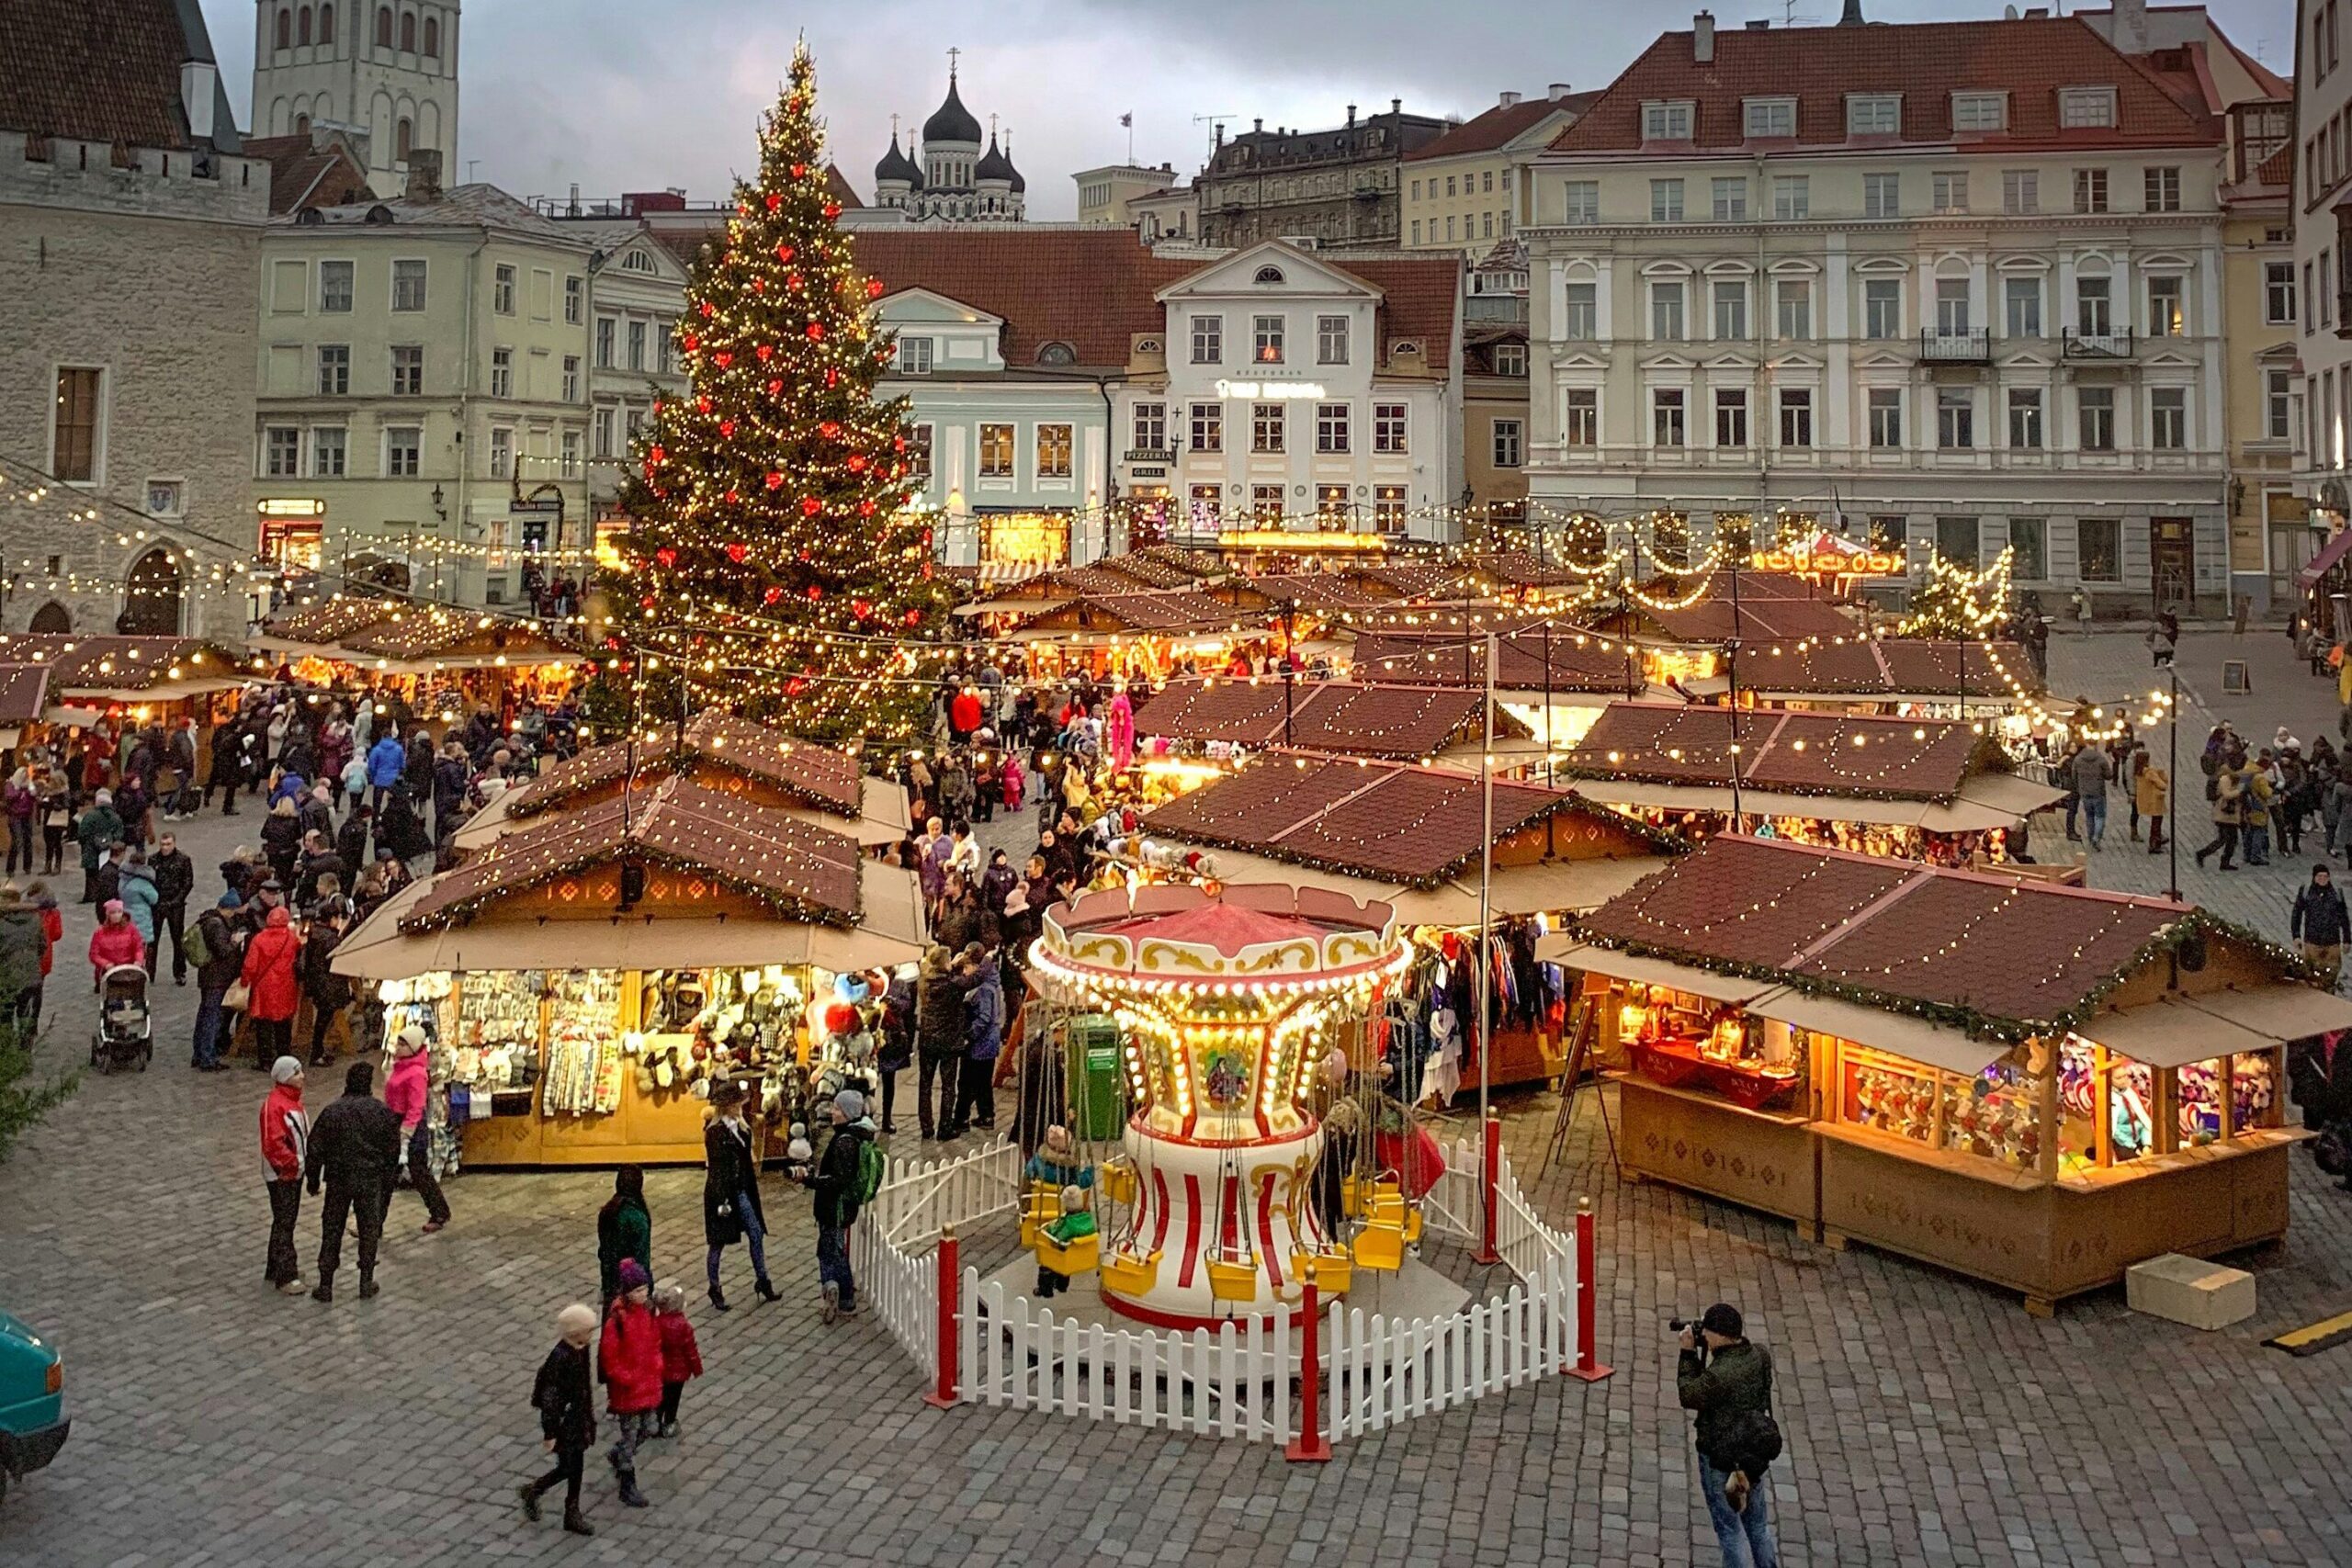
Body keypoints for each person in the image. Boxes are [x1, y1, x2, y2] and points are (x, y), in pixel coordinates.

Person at [1678, 1303, 1782, 1568]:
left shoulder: (1720, 1375)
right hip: (1751, 1455)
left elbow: (1689, 1394)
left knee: (1729, 1531)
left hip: (1720, 1458)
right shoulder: (1759, 1355)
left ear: (1720, 1335)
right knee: (1758, 1526)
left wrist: (1688, 1355)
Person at [304, 1059, 402, 1303]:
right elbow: (392, 1152)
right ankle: (366, 1280)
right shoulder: (381, 1112)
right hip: (369, 1180)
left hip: (338, 1179)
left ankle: (326, 1283)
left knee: (332, 1228)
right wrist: (387, 1181)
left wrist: (313, 1180)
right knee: (368, 1228)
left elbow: (315, 1148)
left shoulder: (332, 1112)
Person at [520, 1303, 599, 1537]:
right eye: (588, 1330)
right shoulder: (560, 1358)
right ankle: (537, 1491)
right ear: (575, 1332)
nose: (592, 1335)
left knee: (575, 1467)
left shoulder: (581, 1349)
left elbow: (584, 1387)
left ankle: (570, 1509)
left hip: (578, 1418)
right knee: (568, 1467)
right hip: (566, 1423)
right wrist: (550, 1433)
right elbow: (551, 1400)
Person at [701, 1082, 776, 1311]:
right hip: (722, 1193)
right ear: (727, 1107)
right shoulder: (714, 1132)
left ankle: (762, 1279)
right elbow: (717, 1168)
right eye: (736, 1104)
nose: (740, 1107)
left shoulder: (742, 1128)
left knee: (756, 1233)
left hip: (743, 1190)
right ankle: (715, 1287)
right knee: (717, 1243)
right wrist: (722, 1200)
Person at [596, 1258, 661, 1509]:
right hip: (629, 1391)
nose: (643, 1294)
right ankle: (626, 1479)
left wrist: (657, 1364)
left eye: (645, 1289)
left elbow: (655, 1342)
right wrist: (628, 1378)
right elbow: (610, 1359)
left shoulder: (648, 1312)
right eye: (637, 1291)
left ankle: (619, 1453)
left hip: (649, 1383)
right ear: (627, 1292)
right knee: (632, 1434)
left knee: (649, 1428)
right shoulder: (617, 1321)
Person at [805, 1088, 873, 1323]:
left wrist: (810, 1180)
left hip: (835, 1208)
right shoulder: (852, 1136)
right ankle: (840, 1294)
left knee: (830, 1253)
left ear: (846, 1113)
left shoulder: (845, 1142)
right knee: (834, 1250)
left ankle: (836, 1292)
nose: (832, 1111)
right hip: (841, 1208)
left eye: (836, 1108)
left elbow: (837, 1181)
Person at [382, 1025, 451, 1233]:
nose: (398, 1047)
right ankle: (372, 1223)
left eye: (403, 1044)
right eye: (398, 1042)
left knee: (417, 1170)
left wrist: (406, 1133)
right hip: (395, 1121)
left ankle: (439, 1212)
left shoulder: (416, 1073)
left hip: (409, 1126)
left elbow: (416, 1106)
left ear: (413, 1048)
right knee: (388, 1174)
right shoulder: (400, 1066)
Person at [258, 1056, 311, 1295]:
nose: (302, 1076)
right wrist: (291, 1165)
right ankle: (286, 1274)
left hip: (292, 1171)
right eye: (297, 1072)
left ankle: (274, 1266)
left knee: (284, 1220)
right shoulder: (276, 1104)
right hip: (283, 1174)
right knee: (285, 1222)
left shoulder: (290, 1101)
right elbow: (273, 1144)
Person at [1023, 1126, 1095, 1298]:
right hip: (1062, 1209)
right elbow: (1083, 1181)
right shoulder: (1069, 1170)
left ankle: (1045, 1288)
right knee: (1063, 1252)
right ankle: (1062, 1285)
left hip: (1042, 1208)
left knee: (1047, 1252)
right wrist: (1090, 1171)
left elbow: (1028, 1174)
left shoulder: (1037, 1163)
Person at [240, 906, 304, 1068]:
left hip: (264, 987)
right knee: (283, 1023)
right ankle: (284, 1056)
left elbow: (251, 965)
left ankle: (265, 1060)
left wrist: (245, 981)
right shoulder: (290, 939)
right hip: (285, 985)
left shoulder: (259, 939)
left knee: (263, 1024)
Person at [954, 943, 1005, 1133]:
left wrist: (969, 1036)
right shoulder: (992, 984)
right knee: (983, 1082)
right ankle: (986, 1115)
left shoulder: (983, 989)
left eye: (966, 968)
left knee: (967, 1082)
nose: (965, 973)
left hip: (980, 1045)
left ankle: (961, 1118)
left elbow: (984, 1018)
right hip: (989, 1043)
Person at [915, 944, 964, 1140]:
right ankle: (945, 1127)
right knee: (948, 1086)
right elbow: (968, 982)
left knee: (925, 1084)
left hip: (927, 1039)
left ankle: (926, 1126)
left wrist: (950, 965)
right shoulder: (952, 986)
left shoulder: (924, 981)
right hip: (948, 1042)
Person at [191, 892, 244, 1069]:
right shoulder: (216, 925)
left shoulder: (209, 920)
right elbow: (222, 951)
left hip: (210, 977)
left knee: (205, 1014)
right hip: (216, 978)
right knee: (211, 1017)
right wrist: (235, 942)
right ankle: (207, 1057)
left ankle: (199, 1054)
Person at [596, 1165, 652, 1305]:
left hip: (610, 1284)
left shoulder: (608, 1211)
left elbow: (603, 1252)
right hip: (631, 1289)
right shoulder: (637, 1218)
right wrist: (647, 1289)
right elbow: (642, 1257)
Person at [651, 1282, 702, 1438]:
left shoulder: (656, 1323)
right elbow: (690, 1350)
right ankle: (670, 1423)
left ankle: (655, 1424)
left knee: (660, 1398)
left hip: (660, 1370)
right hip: (678, 1372)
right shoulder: (684, 1326)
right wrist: (697, 1368)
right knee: (673, 1400)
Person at [2293, 866, 2351, 989]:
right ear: (2314, 878)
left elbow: (2344, 917)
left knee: (2331, 974)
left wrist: (2347, 939)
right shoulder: (2306, 892)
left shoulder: (2336, 893)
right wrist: (2296, 936)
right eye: (2320, 876)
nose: (2323, 879)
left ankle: (2328, 993)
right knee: (2311, 975)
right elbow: (2297, 914)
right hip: (2312, 942)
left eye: (2325, 877)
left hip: (2332, 943)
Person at [0, 886, 44, 1036]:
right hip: (31, 976)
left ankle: (8, 1052)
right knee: (26, 1018)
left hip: (6, 978)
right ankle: (25, 1051)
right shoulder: (35, 920)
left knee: (5, 1019)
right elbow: (42, 946)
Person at [150, 831, 193, 985]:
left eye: (168, 844)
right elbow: (150, 881)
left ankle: (180, 972)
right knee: (153, 940)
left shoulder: (183, 860)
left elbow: (187, 883)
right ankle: (150, 972)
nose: (165, 848)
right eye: (162, 844)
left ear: (174, 843)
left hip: (176, 905)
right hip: (157, 903)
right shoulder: (153, 859)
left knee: (177, 939)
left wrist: (177, 901)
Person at [74, 790, 121, 904]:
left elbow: (82, 832)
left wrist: (84, 843)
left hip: (90, 849)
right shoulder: (115, 817)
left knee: (91, 874)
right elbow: (119, 834)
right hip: (109, 850)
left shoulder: (90, 816)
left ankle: (90, 895)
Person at [86, 898, 144, 988]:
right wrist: (106, 964)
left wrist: (138, 960)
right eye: (113, 913)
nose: (116, 915)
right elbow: (94, 955)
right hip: (109, 970)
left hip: (129, 968)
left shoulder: (132, 929)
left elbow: (139, 948)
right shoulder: (99, 933)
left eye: (119, 912)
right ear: (108, 915)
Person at [2195, 768, 2245, 873]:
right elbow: (2227, 794)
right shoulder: (2225, 780)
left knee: (2233, 840)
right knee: (2222, 839)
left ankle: (2225, 862)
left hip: (2232, 816)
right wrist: (2240, 791)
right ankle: (2202, 853)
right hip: (2223, 815)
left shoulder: (2237, 780)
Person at [2070, 742, 2112, 852]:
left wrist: (2080, 787)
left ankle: (2090, 837)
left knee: (2089, 815)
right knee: (2100, 816)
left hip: (2084, 792)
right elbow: (2109, 776)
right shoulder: (2101, 759)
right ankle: (2096, 838)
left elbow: (2073, 776)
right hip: (2098, 792)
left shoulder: (2078, 759)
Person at [2135, 754, 2170, 857]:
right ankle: (2154, 843)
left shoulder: (2139, 772)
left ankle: (2156, 841)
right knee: (2157, 823)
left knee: (2155, 822)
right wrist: (2163, 776)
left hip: (2147, 800)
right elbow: (2162, 785)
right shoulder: (2150, 772)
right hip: (2155, 800)